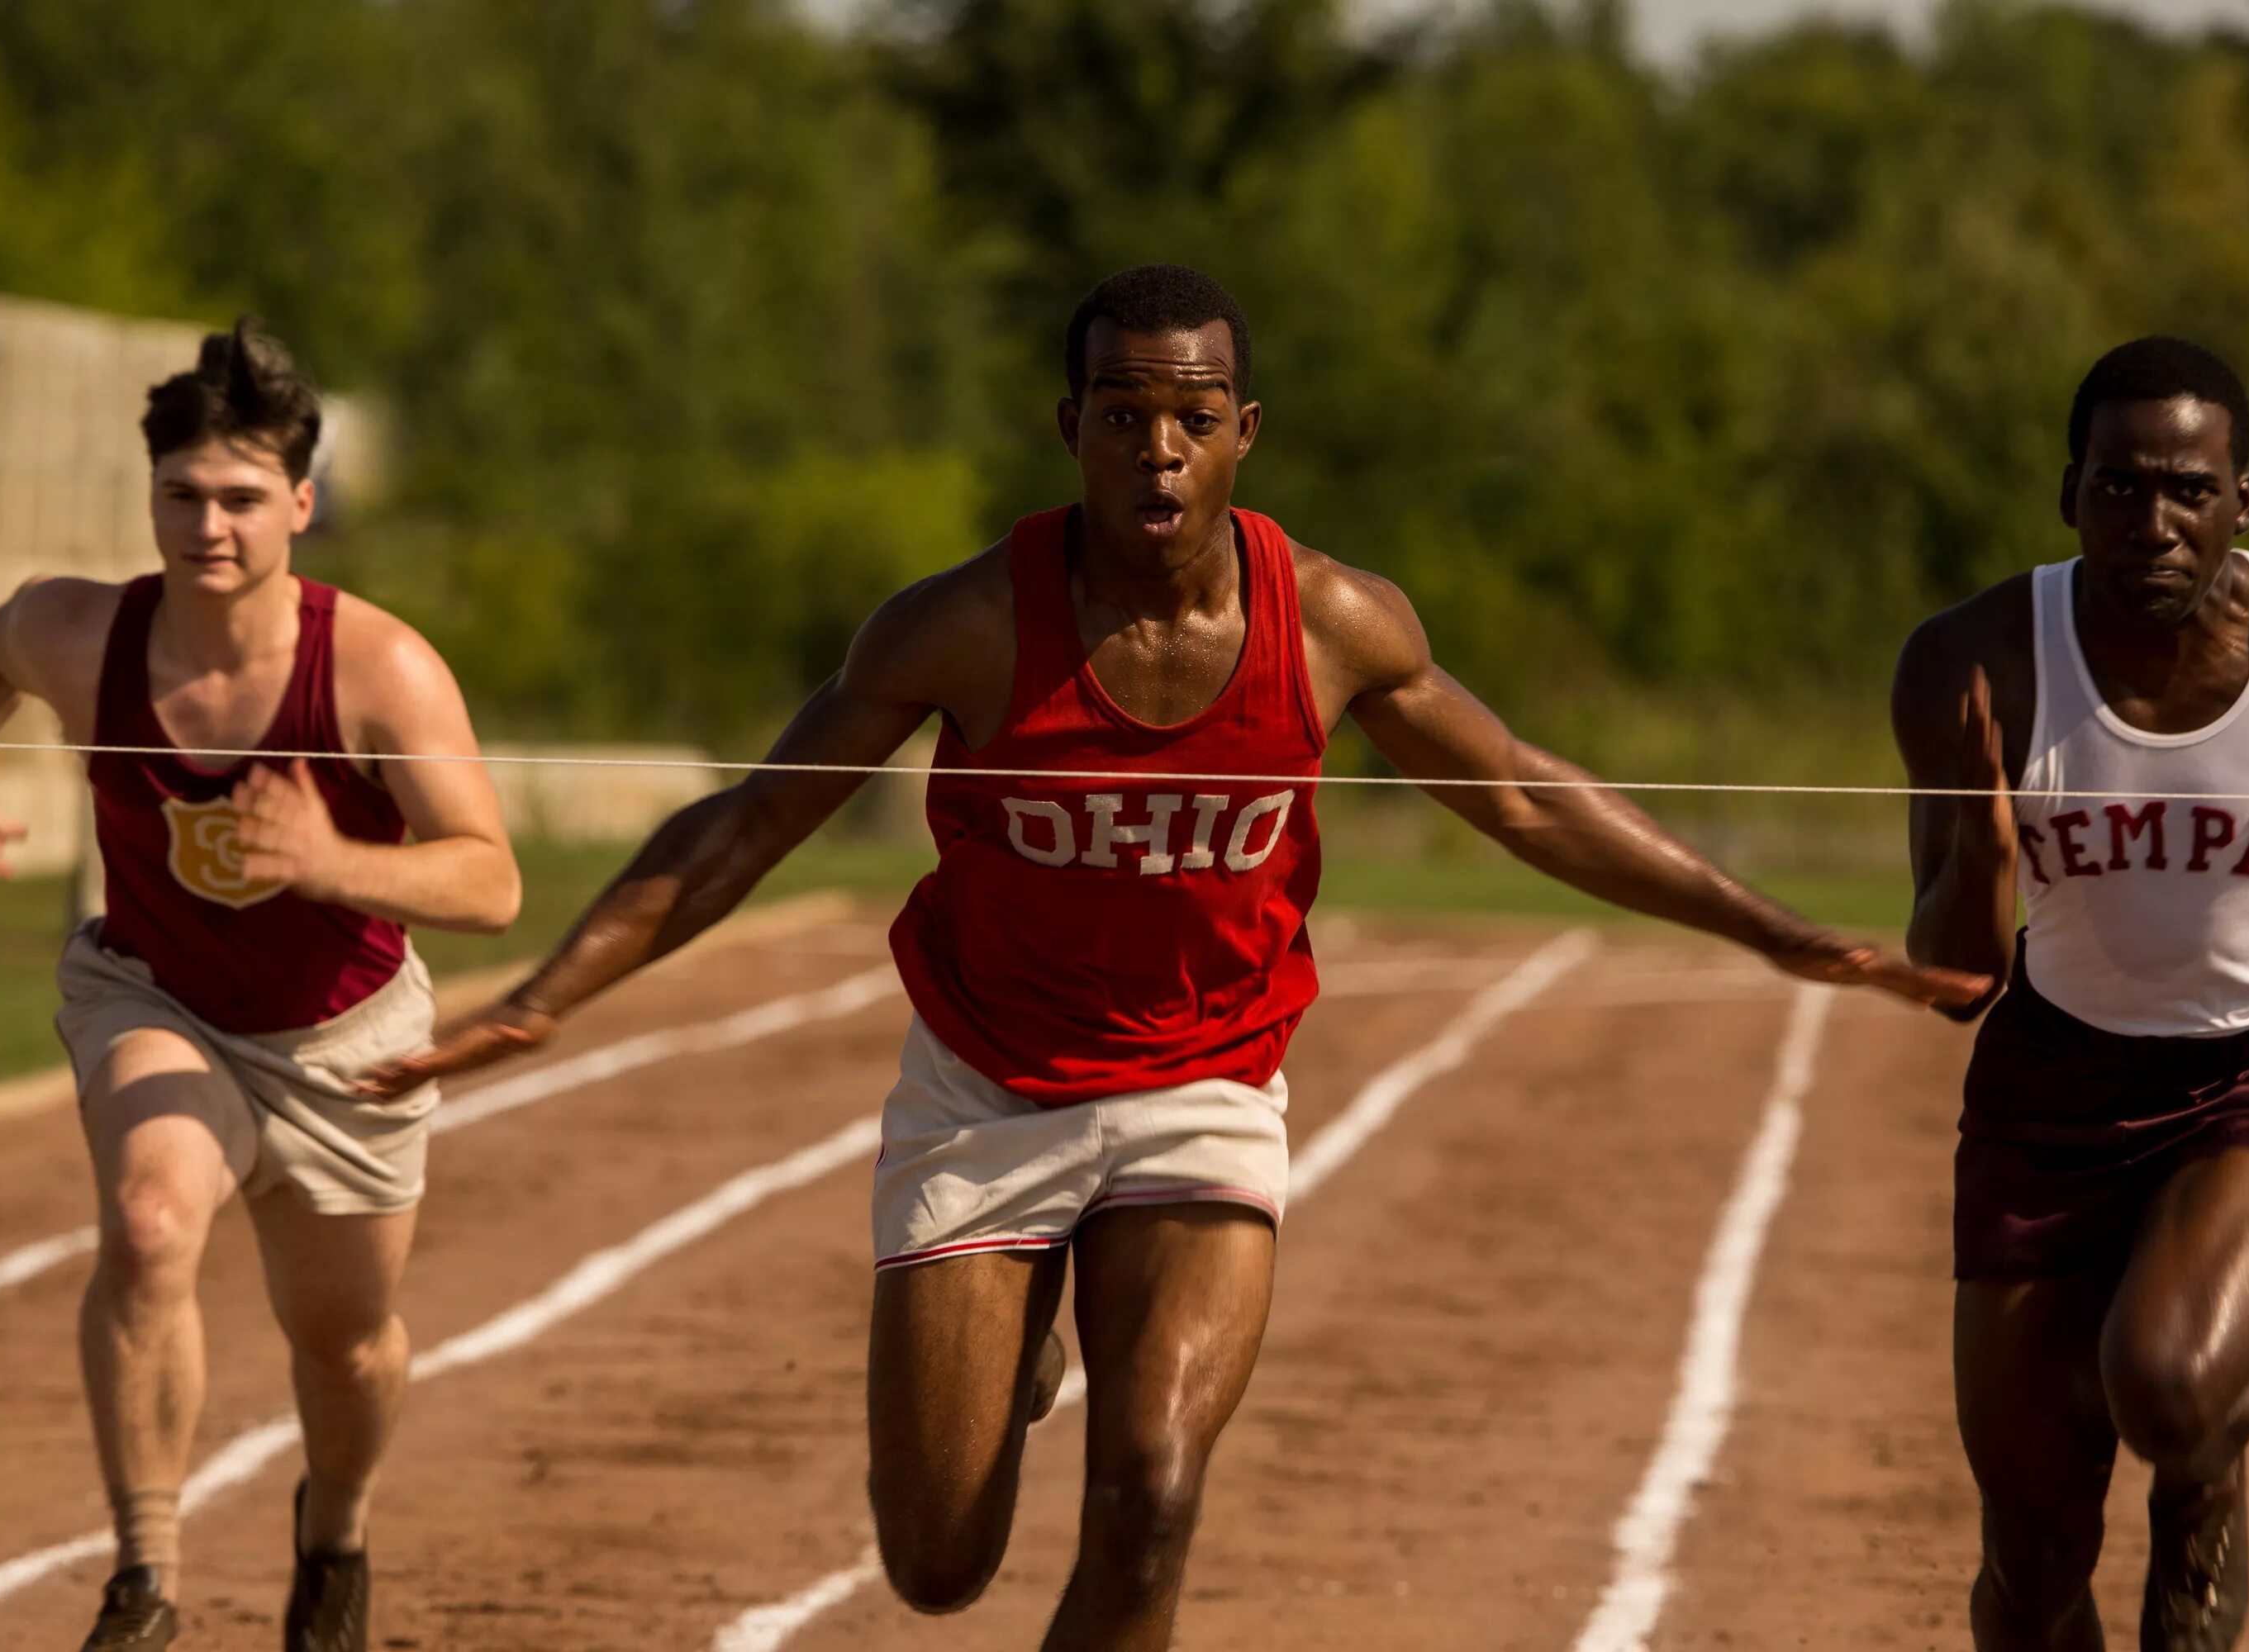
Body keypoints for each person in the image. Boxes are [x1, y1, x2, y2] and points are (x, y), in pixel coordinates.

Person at [368, 263, 1981, 1651]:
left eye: (1193, 416)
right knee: (936, 1563)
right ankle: (1028, 1330)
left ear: (1243, 434)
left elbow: (1526, 796)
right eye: (1122, 414)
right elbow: (744, 829)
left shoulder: (1334, 621)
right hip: (988, 1087)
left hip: (1207, 1084)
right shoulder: (960, 627)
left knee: (1152, 1482)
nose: (1157, 450)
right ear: (1065, 426)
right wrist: (546, 998)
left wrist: (1777, 931)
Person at [0, 320, 521, 1652]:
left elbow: (492, 884)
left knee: (346, 1341)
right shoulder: (80, 632)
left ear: (302, 503)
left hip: (342, 1038)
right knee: (148, 1220)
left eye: (243, 500)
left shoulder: (380, 668)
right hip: (156, 996)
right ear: (150, 498)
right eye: (181, 497)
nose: (210, 528)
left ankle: (337, 1534)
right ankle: (146, 1582)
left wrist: (335, 859)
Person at [1894, 336, 2249, 1651]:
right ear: (2069, 493)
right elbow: (1956, 978)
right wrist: (1980, 847)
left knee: (2170, 1381)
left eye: (2190, 489)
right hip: (2053, 1092)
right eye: (2121, 488)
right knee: (2030, 1571)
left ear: (2243, 498)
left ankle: (2210, 1446)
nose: (2156, 522)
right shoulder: (1977, 661)